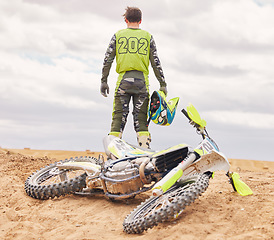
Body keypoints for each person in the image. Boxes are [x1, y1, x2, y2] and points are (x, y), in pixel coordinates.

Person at [100, 6, 167, 149]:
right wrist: (162, 83)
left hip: (123, 82)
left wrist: (104, 81)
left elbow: (108, 60)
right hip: (142, 83)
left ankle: (114, 154)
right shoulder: (148, 37)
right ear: (140, 21)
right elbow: (156, 62)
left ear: (126, 20)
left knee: (118, 117)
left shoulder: (118, 35)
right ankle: (144, 153)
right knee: (141, 119)